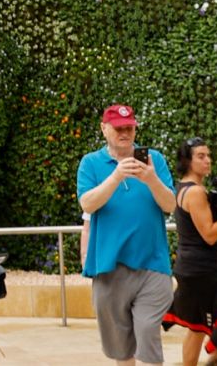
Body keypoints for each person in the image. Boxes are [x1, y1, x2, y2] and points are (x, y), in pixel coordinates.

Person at [78, 103, 176, 366]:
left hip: (152, 265)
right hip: (109, 268)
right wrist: (115, 176)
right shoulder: (91, 163)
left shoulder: (154, 160)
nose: (125, 132)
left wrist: (152, 179)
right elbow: (87, 203)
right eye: (118, 128)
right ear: (104, 129)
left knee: (147, 330)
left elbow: (170, 205)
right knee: (122, 350)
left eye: (129, 127)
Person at [162, 138, 217, 366]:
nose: (207, 160)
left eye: (208, 155)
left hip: (190, 269)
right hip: (205, 271)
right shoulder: (195, 192)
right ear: (188, 161)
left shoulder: (183, 188)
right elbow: (210, 234)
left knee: (196, 327)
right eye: (201, 156)